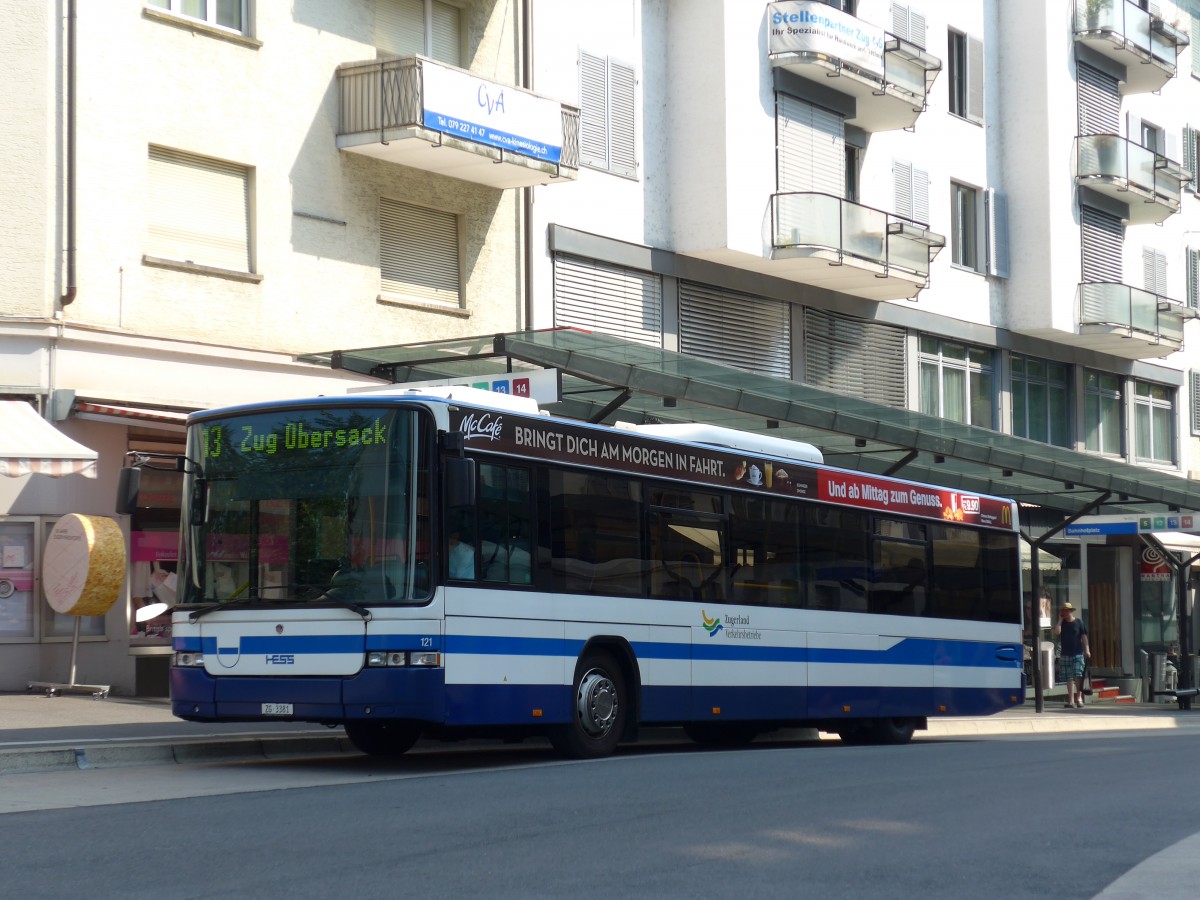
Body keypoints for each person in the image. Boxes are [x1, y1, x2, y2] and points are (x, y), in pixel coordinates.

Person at [1053, 601, 1090, 708]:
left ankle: (1079, 698)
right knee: (1068, 678)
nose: (1064, 613)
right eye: (1063, 611)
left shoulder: (1079, 622)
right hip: (1065, 654)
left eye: (1066, 611)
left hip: (1078, 653)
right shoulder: (1062, 623)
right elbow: (1056, 632)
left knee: (1078, 676)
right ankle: (1071, 700)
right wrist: (1060, 621)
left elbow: (1084, 637)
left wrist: (1087, 650)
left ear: (1070, 611)